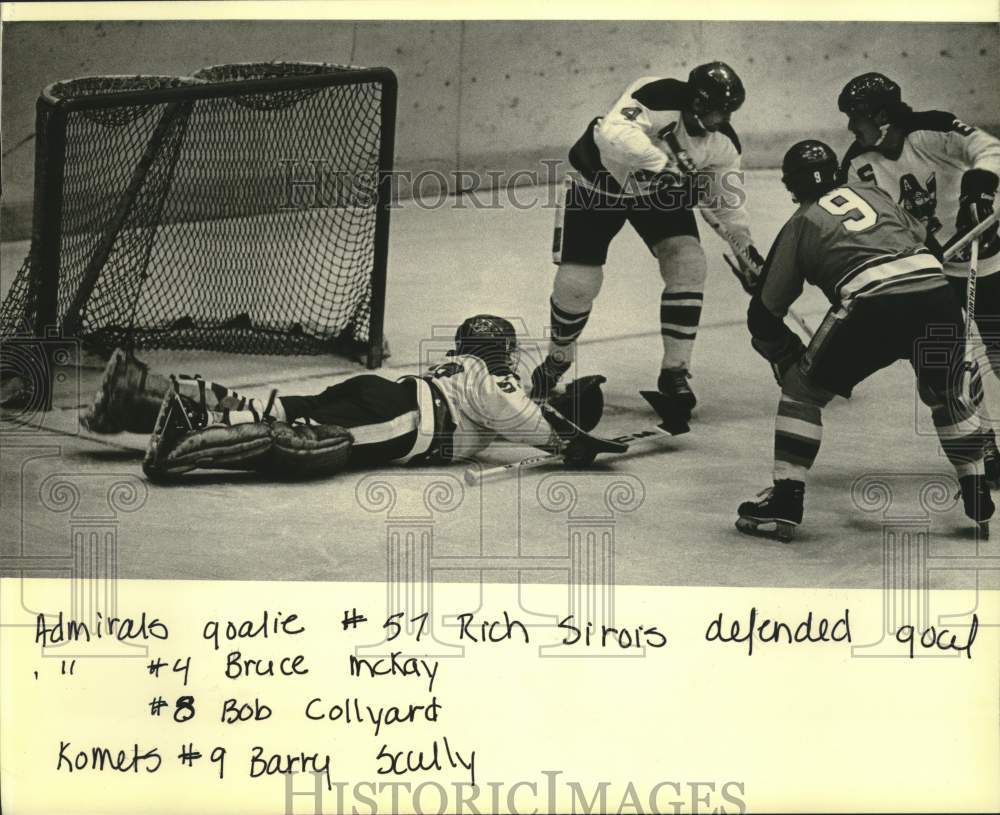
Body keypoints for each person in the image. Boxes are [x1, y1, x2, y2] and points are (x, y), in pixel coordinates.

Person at [736, 140, 993, 542]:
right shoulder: (873, 193)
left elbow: (763, 315)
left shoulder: (801, 222)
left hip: (873, 304)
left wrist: (785, 355)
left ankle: (785, 499)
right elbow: (933, 247)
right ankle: (975, 484)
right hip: (935, 294)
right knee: (946, 394)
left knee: (802, 392)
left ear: (792, 187)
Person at [78, 315, 626, 481]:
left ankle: (137, 393)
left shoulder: (459, 364)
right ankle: (180, 441)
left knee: (271, 410)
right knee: (306, 445)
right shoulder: (495, 376)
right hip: (405, 420)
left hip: (385, 393)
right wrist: (566, 442)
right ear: (504, 349)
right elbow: (516, 413)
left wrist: (561, 421)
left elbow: (513, 414)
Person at [530, 61, 764, 426]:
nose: (719, 119)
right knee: (578, 283)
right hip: (597, 186)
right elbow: (613, 133)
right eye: (713, 110)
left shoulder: (722, 145)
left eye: (727, 112)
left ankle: (675, 370)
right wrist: (664, 167)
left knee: (688, 263)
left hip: (656, 195)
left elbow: (725, 205)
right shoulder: (656, 93)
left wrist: (746, 252)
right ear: (696, 101)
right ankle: (556, 360)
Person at [837, 71, 1000, 484]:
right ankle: (984, 444)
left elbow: (991, 149)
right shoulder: (857, 165)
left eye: (857, 116)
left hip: (988, 258)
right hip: (932, 274)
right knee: (955, 362)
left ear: (883, 116)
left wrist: (978, 189)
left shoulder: (933, 130)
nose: (851, 126)